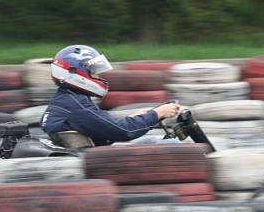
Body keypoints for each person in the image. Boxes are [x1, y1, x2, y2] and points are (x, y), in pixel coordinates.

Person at [40, 44, 180, 146]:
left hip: (95, 152)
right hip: (96, 161)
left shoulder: (67, 100)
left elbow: (103, 126)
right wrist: (157, 113)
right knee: (172, 144)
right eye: (94, 72)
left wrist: (136, 117)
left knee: (152, 141)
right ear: (74, 73)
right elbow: (125, 131)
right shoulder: (77, 107)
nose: (98, 76)